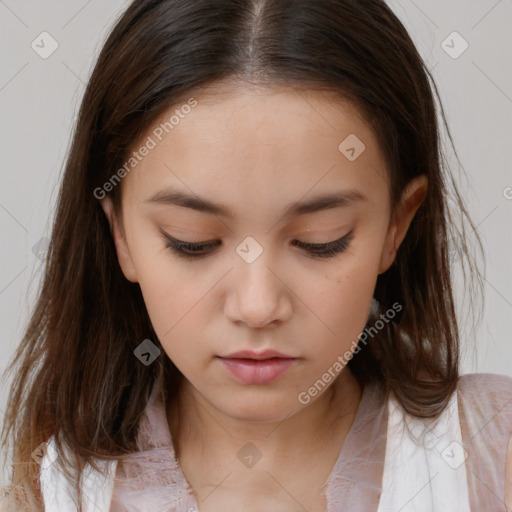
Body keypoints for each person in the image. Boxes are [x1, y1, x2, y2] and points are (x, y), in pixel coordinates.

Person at [1, 0, 511, 511]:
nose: (257, 305)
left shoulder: (495, 457)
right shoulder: (47, 495)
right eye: (191, 241)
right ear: (121, 237)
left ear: (396, 226)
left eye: (321, 240)